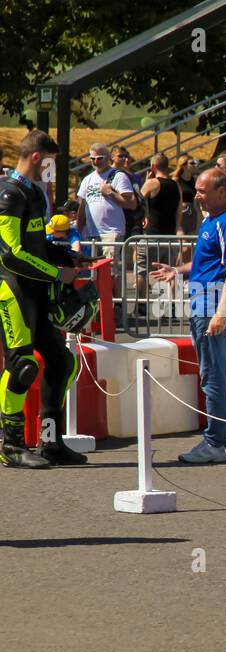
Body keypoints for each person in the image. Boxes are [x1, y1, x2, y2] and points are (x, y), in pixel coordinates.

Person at [0, 129, 84, 468]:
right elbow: (10, 254)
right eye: (50, 162)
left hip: (37, 293)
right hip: (12, 290)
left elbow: (36, 244)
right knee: (22, 366)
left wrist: (66, 256)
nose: (52, 168)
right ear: (37, 157)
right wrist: (55, 273)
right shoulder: (8, 194)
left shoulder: (34, 193)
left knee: (62, 362)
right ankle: (11, 445)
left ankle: (51, 442)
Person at [149, 169, 226, 464]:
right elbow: (204, 262)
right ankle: (221, 440)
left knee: (212, 376)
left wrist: (221, 312)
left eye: (202, 191)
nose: (197, 196)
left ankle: (215, 442)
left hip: (211, 305)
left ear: (222, 192)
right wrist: (177, 270)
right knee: (218, 376)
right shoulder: (212, 221)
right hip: (206, 302)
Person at [75, 143, 136, 258]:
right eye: (92, 158)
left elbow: (132, 204)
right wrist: (77, 232)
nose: (95, 161)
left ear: (108, 158)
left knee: (110, 272)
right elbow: (82, 208)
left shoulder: (119, 176)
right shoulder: (87, 179)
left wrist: (110, 193)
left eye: (99, 158)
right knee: (93, 272)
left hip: (111, 233)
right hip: (91, 234)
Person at [139, 153, 182, 239]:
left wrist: (147, 182)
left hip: (152, 235)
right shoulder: (177, 185)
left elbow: (138, 201)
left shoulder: (152, 183)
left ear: (153, 167)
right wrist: (176, 230)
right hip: (170, 235)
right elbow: (179, 211)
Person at [175, 154, 199, 234]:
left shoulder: (195, 180)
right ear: (183, 166)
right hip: (180, 213)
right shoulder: (176, 181)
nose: (194, 165)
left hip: (191, 213)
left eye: (195, 163)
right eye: (191, 163)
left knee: (190, 243)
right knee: (183, 244)